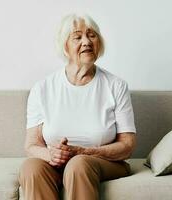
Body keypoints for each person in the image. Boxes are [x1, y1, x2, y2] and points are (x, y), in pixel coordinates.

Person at [19, 13, 137, 200]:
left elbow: (127, 146)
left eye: (92, 35)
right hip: (56, 164)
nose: (86, 42)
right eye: (77, 36)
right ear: (64, 46)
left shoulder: (116, 86)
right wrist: (52, 155)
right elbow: (31, 145)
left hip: (101, 162)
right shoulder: (42, 89)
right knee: (31, 167)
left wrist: (83, 152)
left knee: (78, 164)